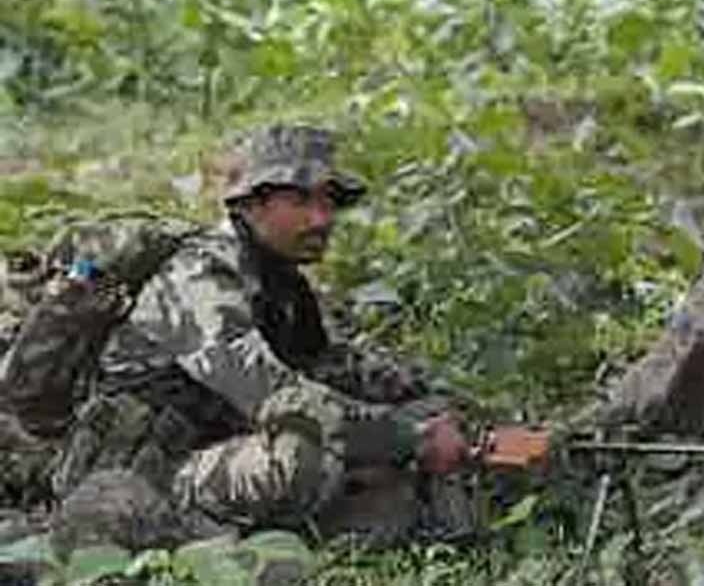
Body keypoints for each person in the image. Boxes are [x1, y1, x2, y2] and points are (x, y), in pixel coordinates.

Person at [49, 124, 473, 547]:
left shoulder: (278, 281)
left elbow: (335, 365)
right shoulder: (198, 276)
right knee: (303, 458)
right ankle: (201, 536)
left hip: (214, 445)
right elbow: (273, 394)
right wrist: (410, 437)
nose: (322, 219)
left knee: (414, 418)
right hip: (139, 473)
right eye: (301, 201)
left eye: (328, 202)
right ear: (251, 204)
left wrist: (444, 407)